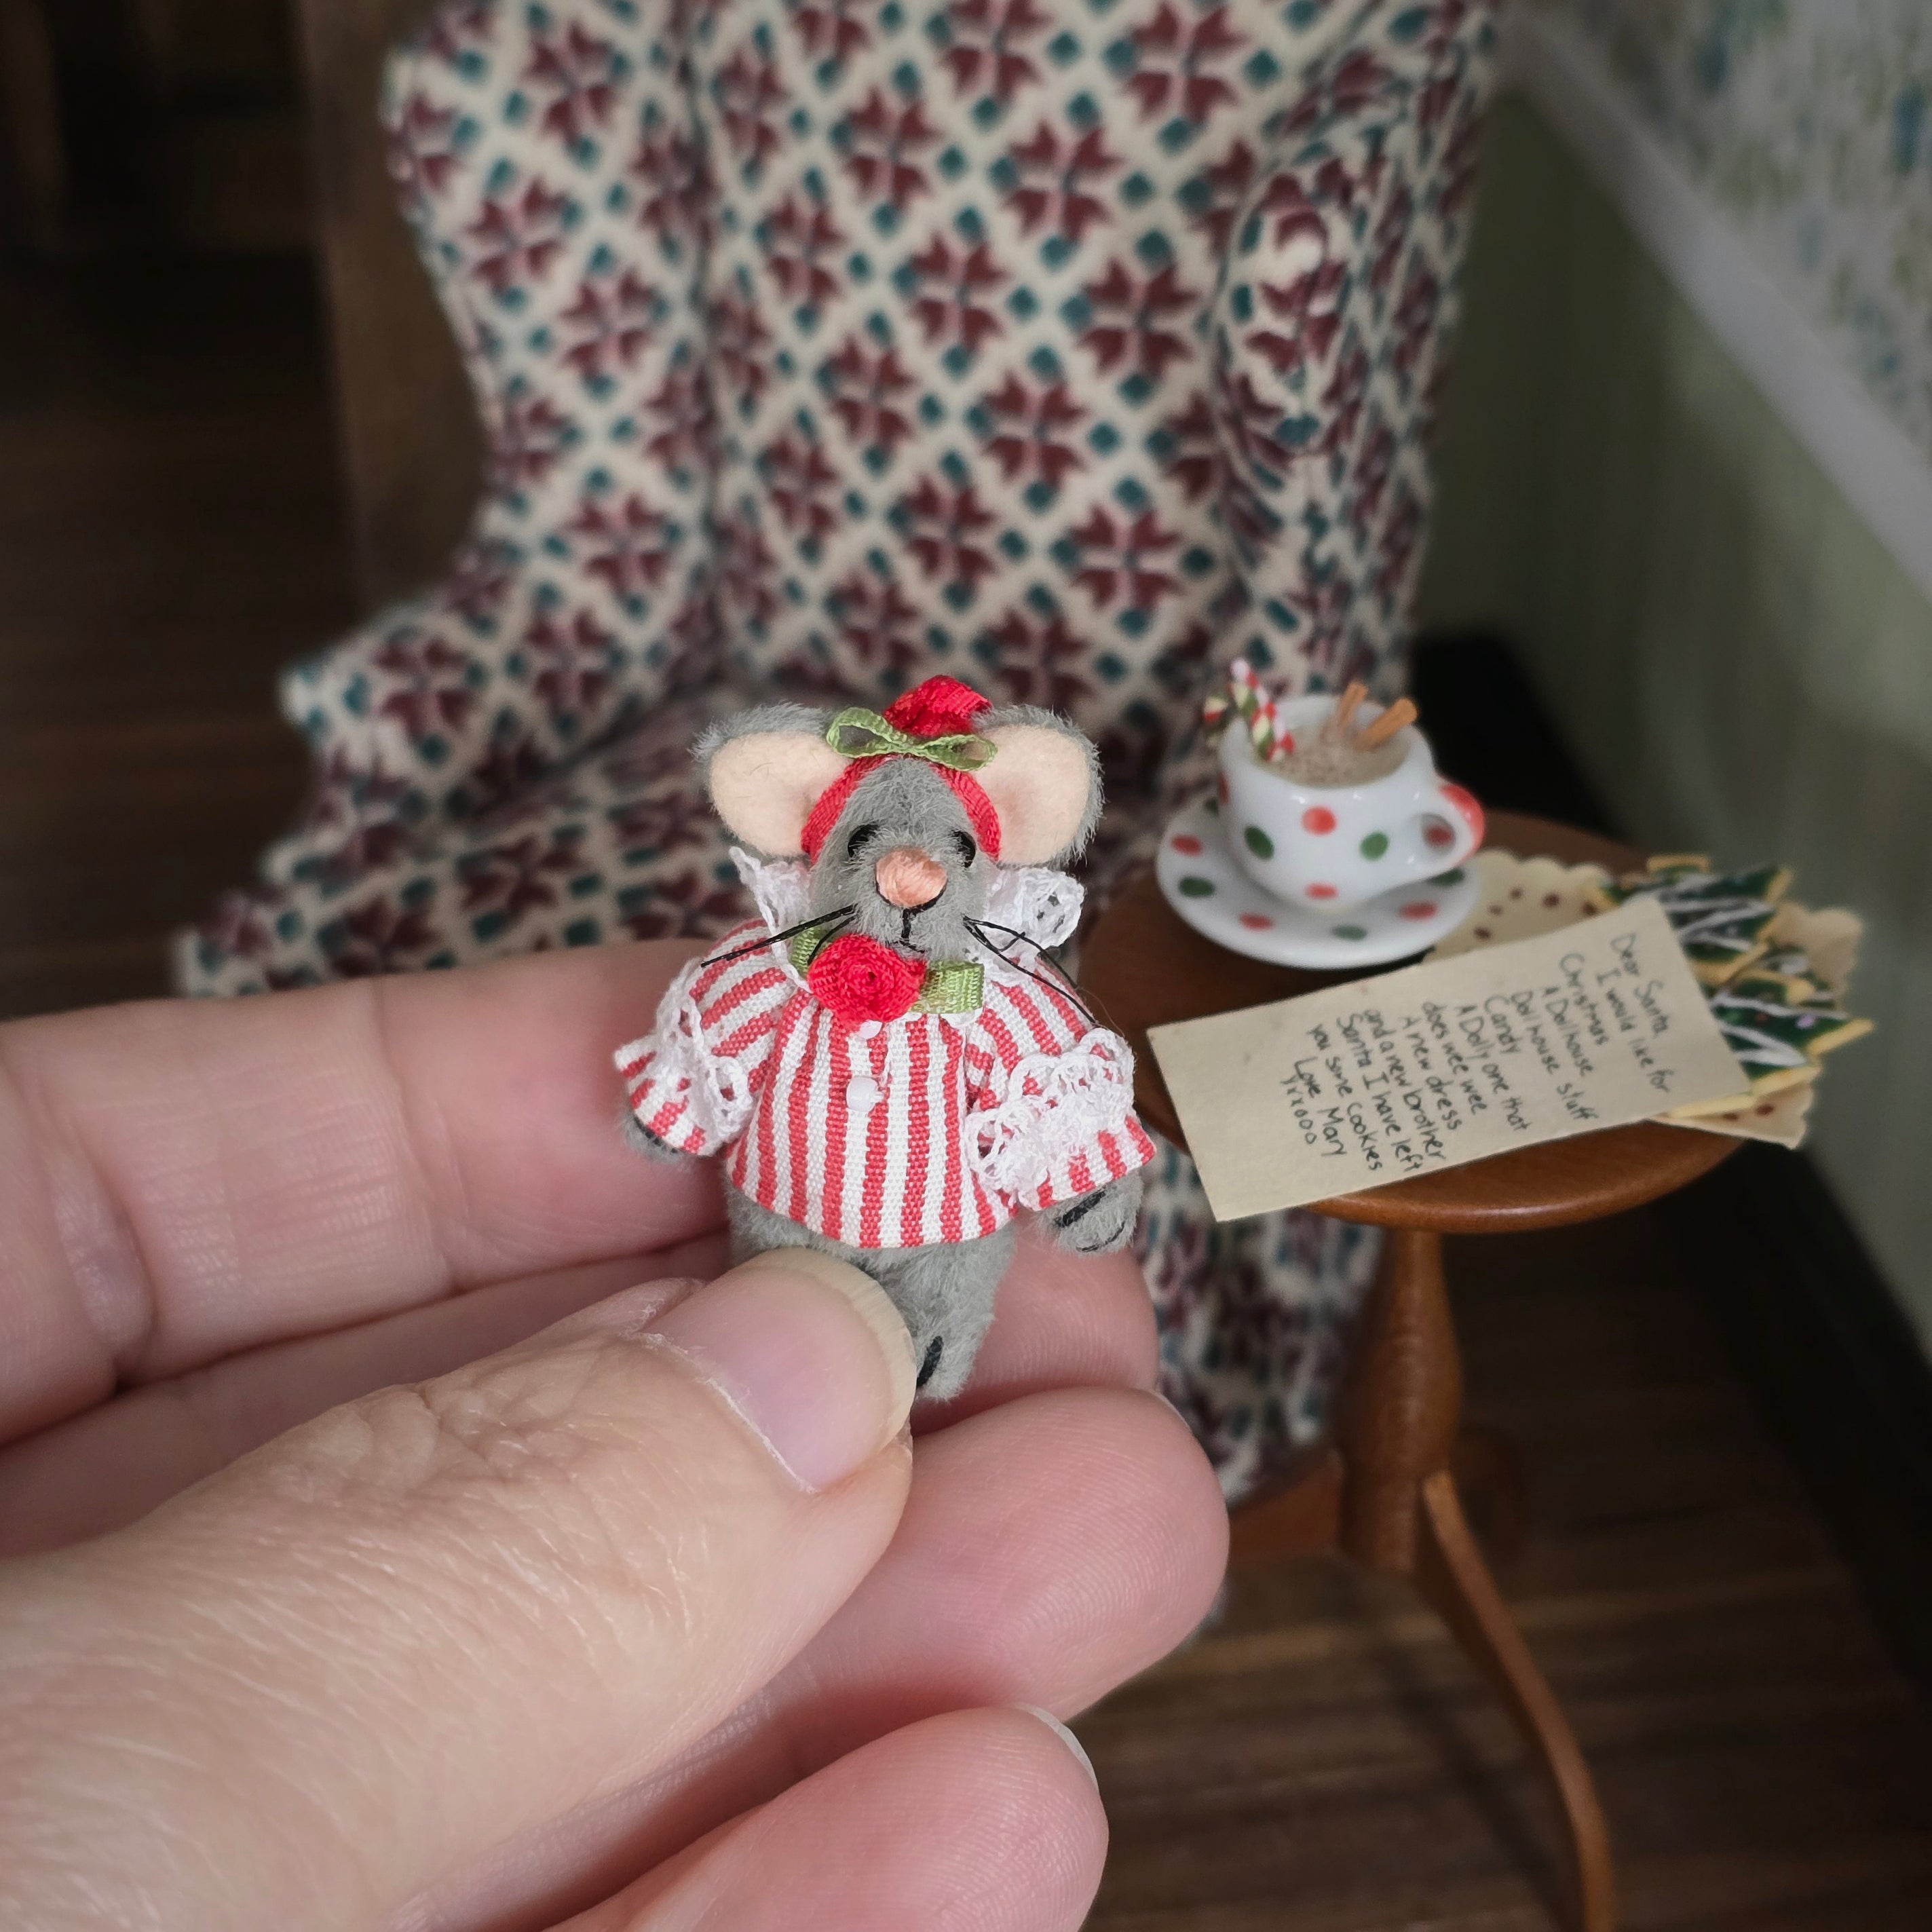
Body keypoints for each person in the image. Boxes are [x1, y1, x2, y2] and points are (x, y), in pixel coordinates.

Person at [0, 941, 1228, 1931]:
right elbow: (708, 1045)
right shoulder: (776, 965)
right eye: (873, 845)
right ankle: (841, 1399)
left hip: (949, 1226)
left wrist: (1088, 1175)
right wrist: (670, 1114)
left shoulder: (993, 987)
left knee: (956, 1362)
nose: (905, 876)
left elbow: (1049, 1072)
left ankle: (909, 1391)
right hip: (785, 1212)